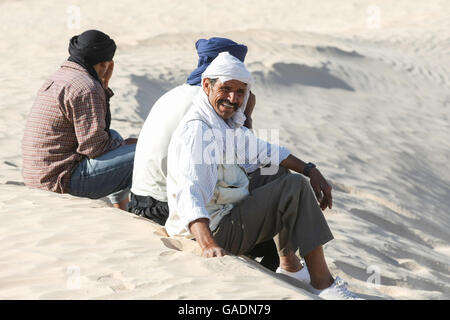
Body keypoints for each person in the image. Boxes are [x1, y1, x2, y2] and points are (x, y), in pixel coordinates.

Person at [165, 52, 362, 300]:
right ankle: (324, 285)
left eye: (240, 92)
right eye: (226, 89)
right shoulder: (198, 129)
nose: (233, 99)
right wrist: (208, 245)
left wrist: (312, 170)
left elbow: (264, 152)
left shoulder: (220, 122)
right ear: (207, 85)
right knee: (294, 187)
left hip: (222, 217)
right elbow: (189, 189)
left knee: (278, 173)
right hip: (208, 232)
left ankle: (291, 268)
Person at [128, 38, 280, 271]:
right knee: (271, 183)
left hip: (138, 200)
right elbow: (244, 156)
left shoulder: (178, 93)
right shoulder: (207, 105)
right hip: (167, 207)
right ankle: (288, 268)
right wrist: (246, 114)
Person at [22, 30, 136, 210]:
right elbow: (94, 147)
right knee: (143, 153)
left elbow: (101, 132)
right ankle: (151, 214)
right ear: (105, 64)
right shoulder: (86, 87)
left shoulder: (62, 76)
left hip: (38, 177)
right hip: (60, 183)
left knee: (114, 136)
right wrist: (128, 144)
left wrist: (103, 86)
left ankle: (121, 206)